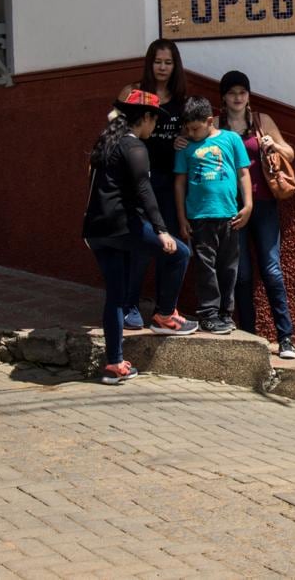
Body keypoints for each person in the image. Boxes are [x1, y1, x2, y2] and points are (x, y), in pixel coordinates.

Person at [82, 90, 198, 385]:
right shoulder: (134, 146)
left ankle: (114, 364)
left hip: (96, 232)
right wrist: (161, 230)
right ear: (145, 117)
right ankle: (165, 315)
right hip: (123, 227)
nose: (155, 126)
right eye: (154, 120)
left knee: (116, 296)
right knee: (180, 253)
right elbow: (144, 190)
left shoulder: (106, 143)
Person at [219, 70, 295, 359]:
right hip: (233, 206)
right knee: (241, 274)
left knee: (271, 269)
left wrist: (272, 145)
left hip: (264, 204)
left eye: (242, 92)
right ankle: (250, 335)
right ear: (224, 97)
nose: (237, 97)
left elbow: (290, 153)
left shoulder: (261, 121)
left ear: (248, 95)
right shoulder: (216, 126)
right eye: (232, 93)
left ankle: (286, 337)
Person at [119, 39, 190, 330]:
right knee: (140, 244)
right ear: (149, 63)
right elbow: (116, 128)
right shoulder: (133, 92)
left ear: (175, 66)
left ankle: (165, 309)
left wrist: (183, 140)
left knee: (170, 245)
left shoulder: (182, 100)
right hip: (139, 179)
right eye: (157, 61)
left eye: (168, 62)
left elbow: (192, 133)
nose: (162, 67)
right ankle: (129, 305)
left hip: (169, 181)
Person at [174, 96, 251, 334]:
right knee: (205, 266)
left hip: (229, 215)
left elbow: (243, 173)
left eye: (195, 128)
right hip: (199, 217)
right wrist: (182, 218)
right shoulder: (185, 147)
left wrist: (248, 205)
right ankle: (208, 313)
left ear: (209, 121)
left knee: (229, 266)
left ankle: (226, 313)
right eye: (187, 129)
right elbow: (179, 183)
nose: (190, 133)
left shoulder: (231, 139)